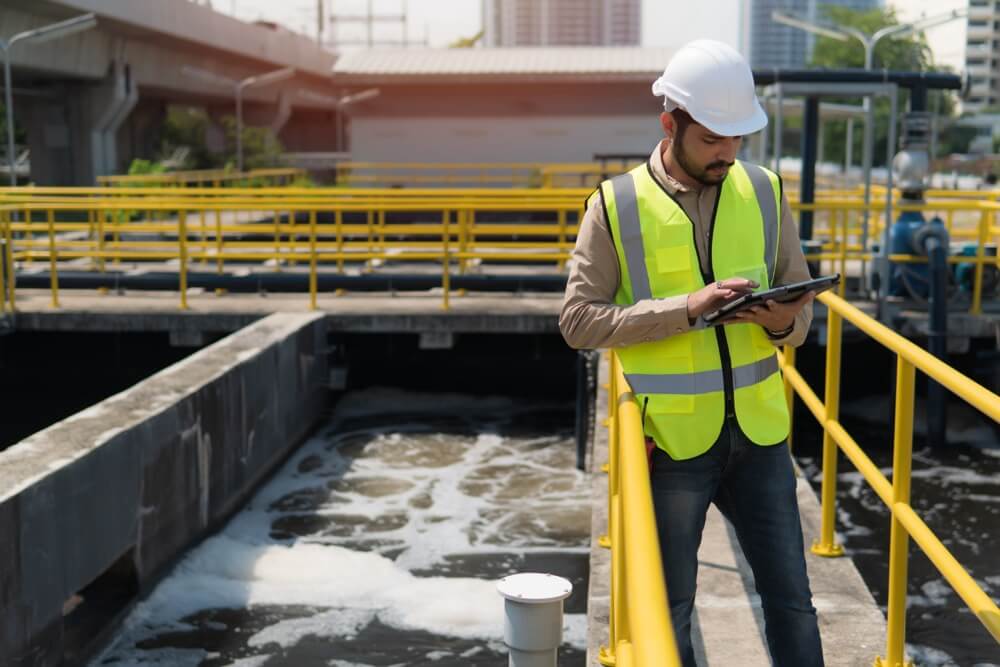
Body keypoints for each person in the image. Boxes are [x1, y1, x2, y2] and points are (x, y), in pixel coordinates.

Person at [559, 40, 823, 666]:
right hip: (674, 443)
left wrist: (786, 320)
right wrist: (688, 308)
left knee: (793, 601)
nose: (727, 155)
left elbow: (803, 312)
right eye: (711, 140)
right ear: (669, 123)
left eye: (737, 140)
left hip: (760, 436)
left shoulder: (764, 191)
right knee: (668, 608)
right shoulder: (615, 205)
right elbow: (577, 321)